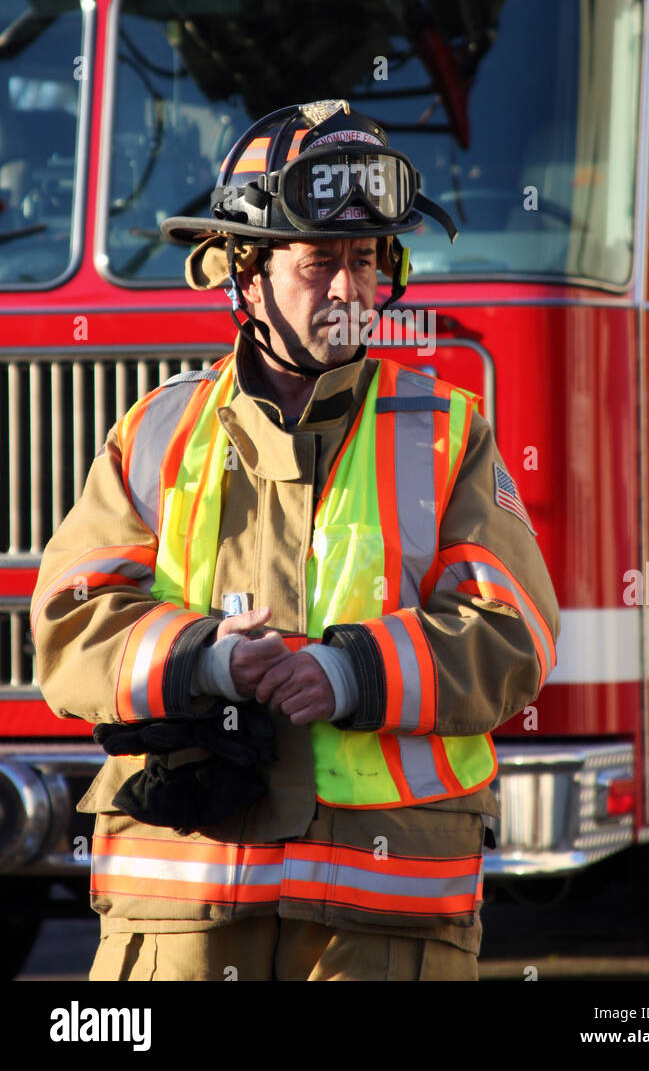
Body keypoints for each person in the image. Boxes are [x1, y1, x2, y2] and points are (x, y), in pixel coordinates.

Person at [32, 98, 560, 982]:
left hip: (381, 925)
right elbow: (67, 627)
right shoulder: (157, 434)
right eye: (320, 262)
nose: (350, 290)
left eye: (366, 260)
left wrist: (349, 671)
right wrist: (202, 661)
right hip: (181, 914)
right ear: (245, 273)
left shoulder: (446, 435)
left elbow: (514, 634)